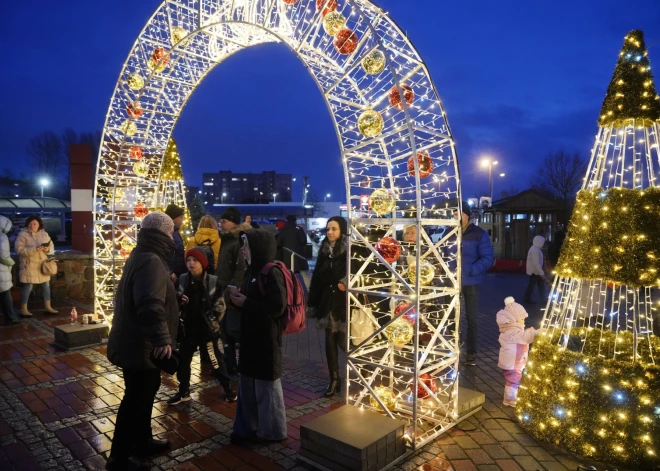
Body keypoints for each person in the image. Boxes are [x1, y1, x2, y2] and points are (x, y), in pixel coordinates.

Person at [106, 212, 179, 471]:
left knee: (143, 395)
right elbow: (148, 304)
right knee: (136, 399)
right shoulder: (152, 260)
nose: (172, 236)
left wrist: (174, 300)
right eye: (170, 231)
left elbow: (144, 294)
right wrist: (161, 339)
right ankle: (120, 458)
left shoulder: (141, 254)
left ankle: (142, 441)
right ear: (163, 233)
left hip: (134, 341)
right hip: (142, 343)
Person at [228, 229, 287, 442]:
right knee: (248, 383)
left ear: (257, 247)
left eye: (246, 245)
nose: (242, 250)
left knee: (266, 385)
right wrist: (238, 299)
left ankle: (272, 432)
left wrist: (246, 302)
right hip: (250, 337)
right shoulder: (251, 271)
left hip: (265, 339)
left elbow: (277, 307)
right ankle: (247, 427)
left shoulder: (271, 271)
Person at [167, 249, 237, 405]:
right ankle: (183, 391)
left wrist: (212, 322)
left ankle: (228, 389)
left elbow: (220, 306)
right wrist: (180, 303)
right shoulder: (183, 279)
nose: (191, 263)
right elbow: (174, 303)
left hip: (208, 332)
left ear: (203, 263)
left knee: (216, 361)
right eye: (188, 260)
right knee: (184, 362)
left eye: (195, 260)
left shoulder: (212, 281)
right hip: (188, 330)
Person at [307, 216, 348, 397]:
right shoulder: (324, 250)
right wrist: (313, 303)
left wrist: (347, 282)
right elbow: (316, 278)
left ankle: (362, 370)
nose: (330, 232)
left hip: (344, 302)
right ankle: (334, 379)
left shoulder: (350, 249)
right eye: (328, 229)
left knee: (343, 341)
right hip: (327, 301)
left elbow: (359, 269)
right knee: (329, 339)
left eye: (334, 229)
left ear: (342, 230)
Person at [455, 202, 493, 366]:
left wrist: (471, 270)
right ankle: (455, 347)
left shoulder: (479, 234)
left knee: (471, 318)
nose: (457, 217)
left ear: (467, 215)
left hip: (470, 281)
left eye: (460, 213)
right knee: (452, 317)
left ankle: (471, 352)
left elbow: (487, 258)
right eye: (454, 213)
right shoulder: (449, 232)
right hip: (452, 282)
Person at [216, 207, 252, 375]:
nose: (221, 224)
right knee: (225, 332)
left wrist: (232, 288)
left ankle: (244, 366)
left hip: (232, 294)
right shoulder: (227, 239)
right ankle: (230, 366)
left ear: (233, 223)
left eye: (224, 221)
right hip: (224, 291)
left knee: (234, 330)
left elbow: (241, 268)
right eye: (221, 221)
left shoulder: (238, 240)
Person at [496, 297, 541, 406]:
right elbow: (524, 338)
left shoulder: (511, 331)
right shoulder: (511, 332)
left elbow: (521, 337)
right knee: (514, 380)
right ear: (514, 319)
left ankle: (511, 397)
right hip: (512, 363)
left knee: (514, 379)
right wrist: (537, 332)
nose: (524, 322)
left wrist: (529, 332)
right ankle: (510, 399)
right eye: (522, 319)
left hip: (514, 361)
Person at [14, 215, 57, 316]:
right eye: (30, 223)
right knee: (28, 286)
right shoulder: (22, 235)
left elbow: (51, 246)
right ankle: (23, 309)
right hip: (29, 265)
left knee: (46, 285)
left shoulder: (44, 234)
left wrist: (47, 249)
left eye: (34, 224)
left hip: (43, 265)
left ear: (39, 225)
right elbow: (18, 250)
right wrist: (34, 249)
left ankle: (48, 307)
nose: (32, 225)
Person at [0, 215, 18, 325]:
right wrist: (12, 263)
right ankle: (11, 318)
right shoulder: (2, 237)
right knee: (5, 294)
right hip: (1, 272)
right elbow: (3, 256)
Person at [165, 204, 186, 284]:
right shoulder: (168, 233)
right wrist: (169, 271)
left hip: (176, 275)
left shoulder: (175, 232)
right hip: (172, 277)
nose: (182, 221)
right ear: (173, 218)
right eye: (180, 217)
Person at [524, 235, 547, 304]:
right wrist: (541, 272)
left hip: (536, 271)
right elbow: (536, 263)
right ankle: (528, 299)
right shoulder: (535, 250)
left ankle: (543, 299)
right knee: (534, 285)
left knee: (537, 285)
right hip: (535, 272)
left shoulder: (535, 249)